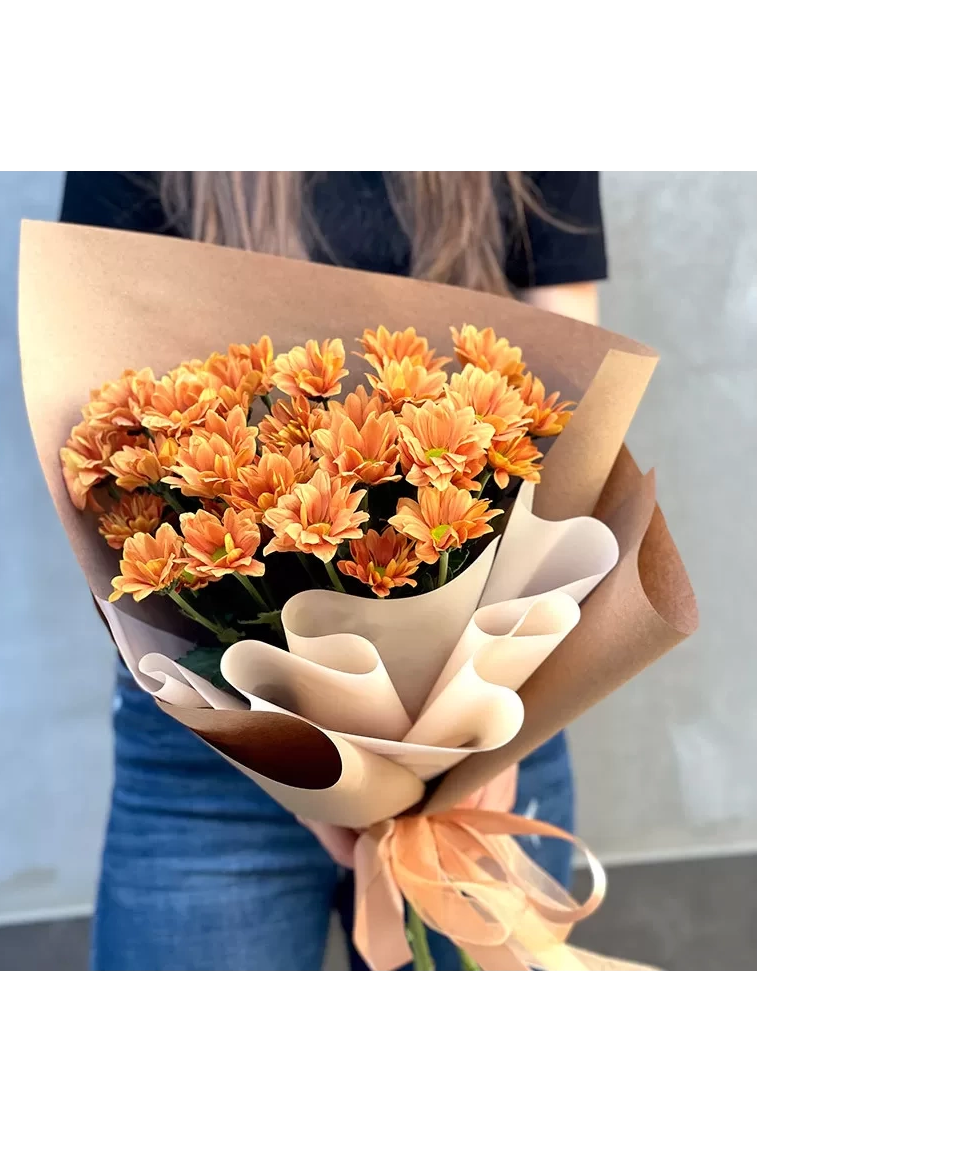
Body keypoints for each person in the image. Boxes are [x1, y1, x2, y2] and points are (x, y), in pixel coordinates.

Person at [59, 171, 609, 971]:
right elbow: (89, 408)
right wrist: (300, 769)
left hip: (483, 715)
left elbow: (573, 380)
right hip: (210, 736)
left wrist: (499, 712)